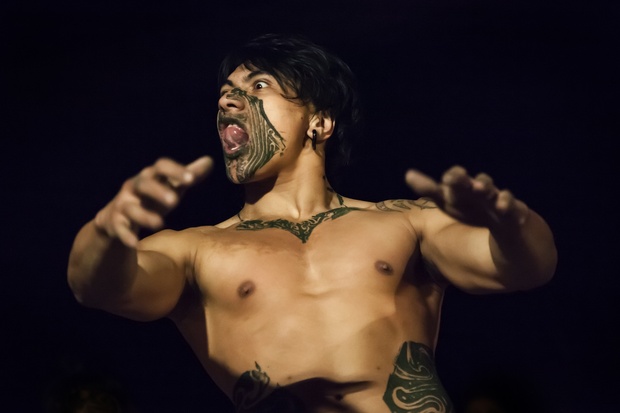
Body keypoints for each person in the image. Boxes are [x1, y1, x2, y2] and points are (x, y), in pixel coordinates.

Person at [67, 33, 557, 413]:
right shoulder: (196, 249)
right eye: (225, 93)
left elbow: (526, 268)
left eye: (258, 86)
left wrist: (510, 223)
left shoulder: (407, 222)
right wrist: (106, 230)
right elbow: (98, 287)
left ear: (319, 123)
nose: (226, 102)